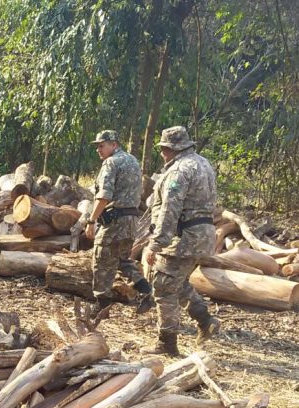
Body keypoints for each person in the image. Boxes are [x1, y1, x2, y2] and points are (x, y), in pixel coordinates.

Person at [142, 126, 220, 356]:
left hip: (184, 237)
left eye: (164, 149)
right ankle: (206, 321)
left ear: (173, 149)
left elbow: (170, 210)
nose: (162, 154)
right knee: (178, 281)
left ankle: (167, 343)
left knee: (164, 287)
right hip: (202, 234)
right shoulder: (203, 164)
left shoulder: (179, 171)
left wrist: (156, 244)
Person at [81, 130, 153, 313]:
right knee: (121, 258)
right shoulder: (133, 161)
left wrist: (91, 221)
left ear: (114, 144)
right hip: (131, 220)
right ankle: (146, 290)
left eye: (101, 145)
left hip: (114, 220)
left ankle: (101, 304)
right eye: (97, 146)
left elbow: (104, 196)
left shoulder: (111, 163)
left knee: (100, 258)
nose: (98, 149)